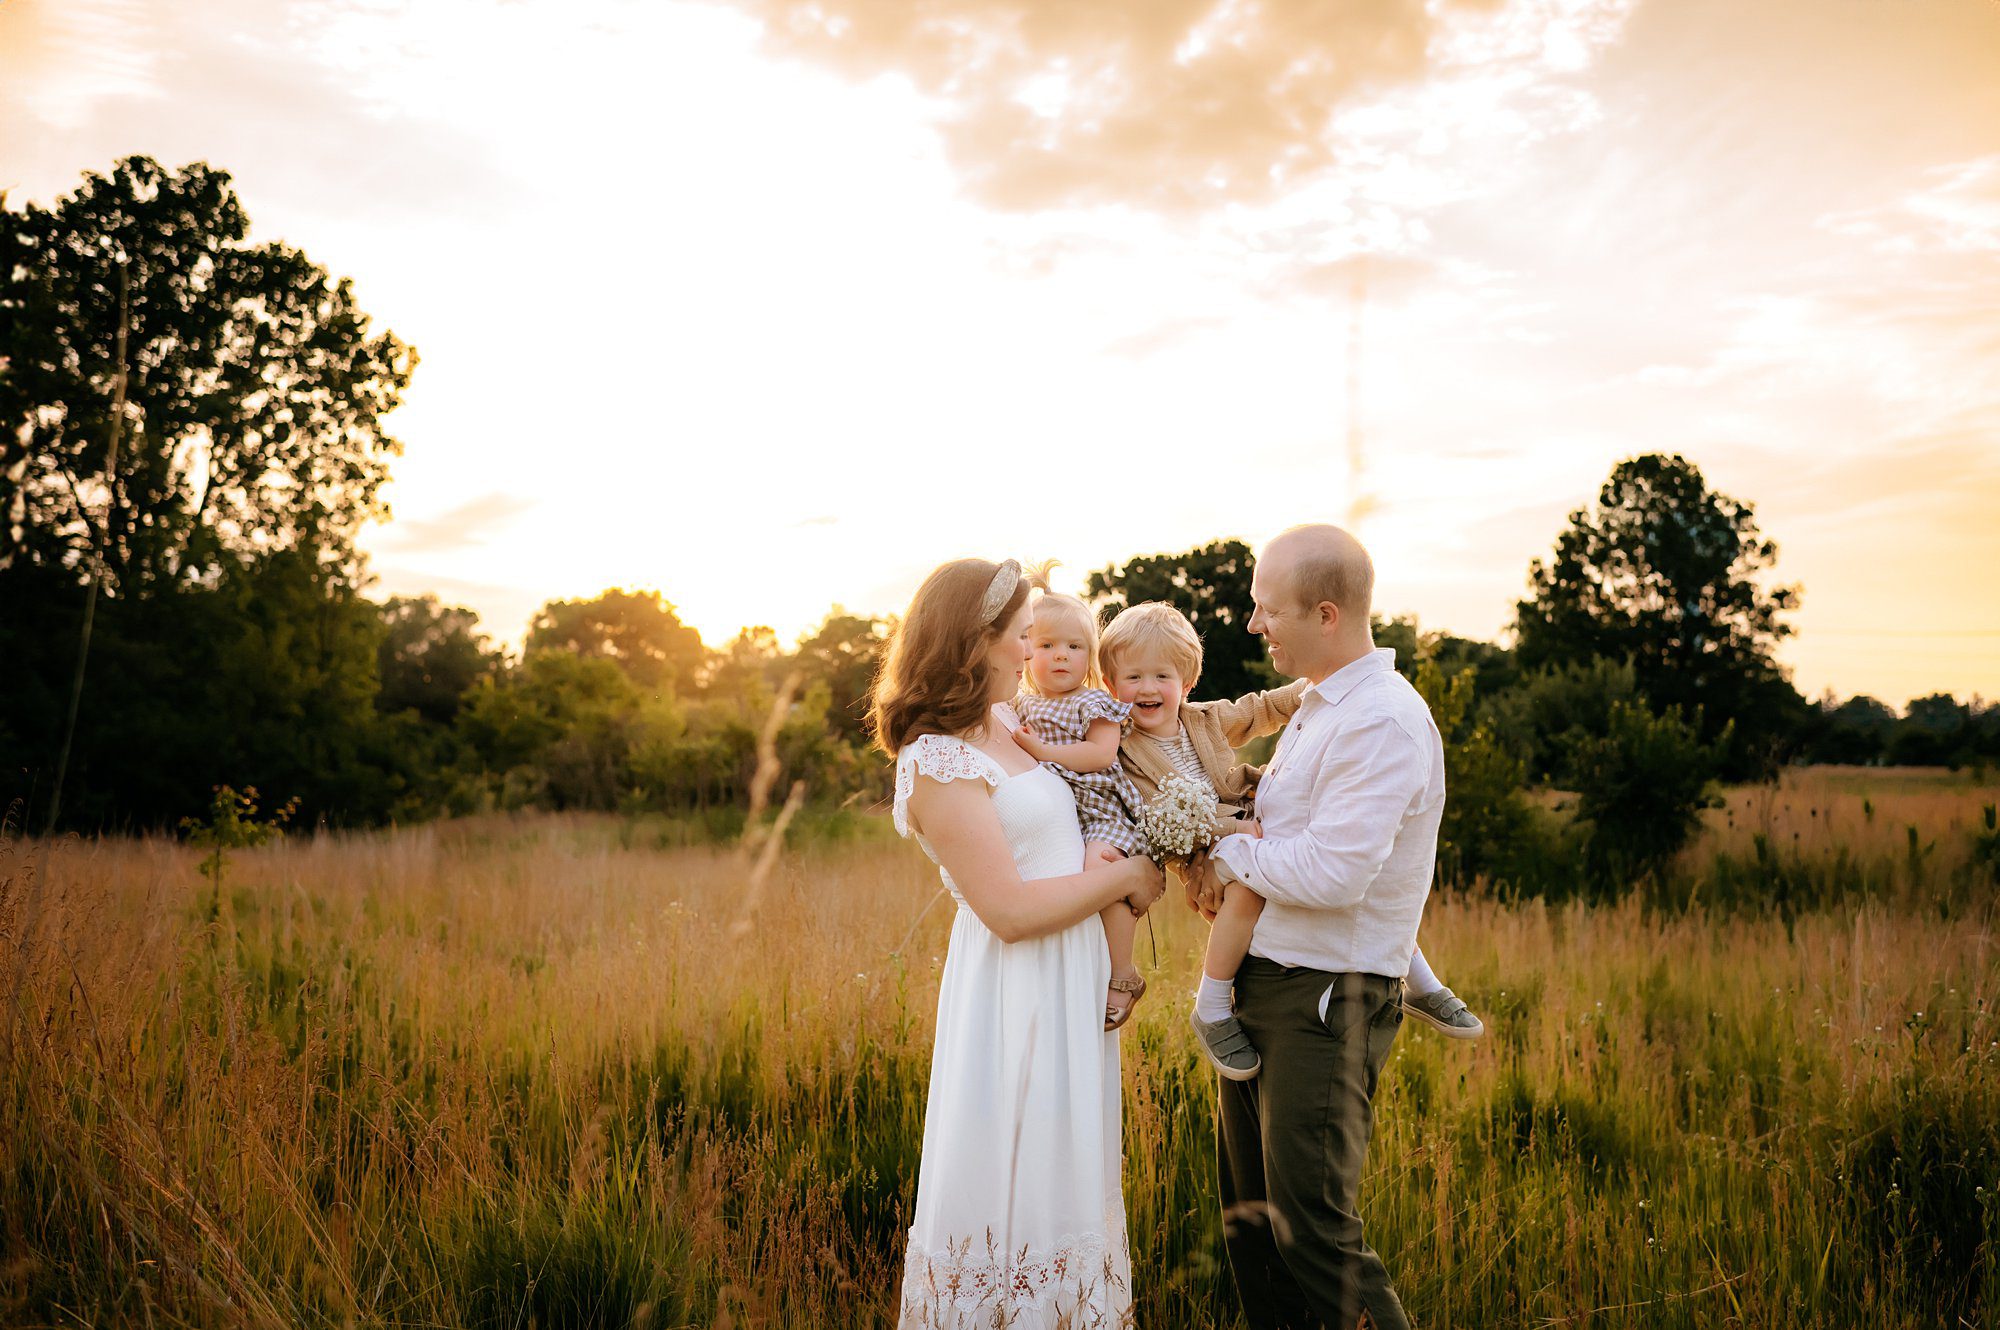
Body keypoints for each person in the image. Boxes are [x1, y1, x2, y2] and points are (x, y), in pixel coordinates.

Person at [871, 556, 1165, 1329]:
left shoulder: (1008, 722)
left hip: (1072, 971)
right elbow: (1006, 909)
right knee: (1016, 1167)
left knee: (1067, 1170)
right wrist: (1126, 876)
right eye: (1021, 636)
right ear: (977, 642)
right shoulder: (937, 760)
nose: (1032, 652)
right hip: (1016, 985)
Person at [1182, 524, 1443, 1330]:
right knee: (1254, 1228)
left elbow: (1334, 873)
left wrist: (1227, 860)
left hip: (1327, 999)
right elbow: (1285, 827)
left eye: (1267, 611)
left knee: (1316, 1234)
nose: (1254, 626)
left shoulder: (1381, 722)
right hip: (1267, 981)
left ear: (1325, 614)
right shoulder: (1319, 709)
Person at [1005, 566, 1152, 1030]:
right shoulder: (1020, 706)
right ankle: (1083, 965)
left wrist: (1042, 751)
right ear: (1027, 651)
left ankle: (1123, 974)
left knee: (1099, 870)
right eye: (1046, 645)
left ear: (1090, 656)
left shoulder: (1093, 702)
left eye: (1075, 646)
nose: (1061, 657)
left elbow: (1099, 754)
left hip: (1102, 810)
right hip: (1063, 815)